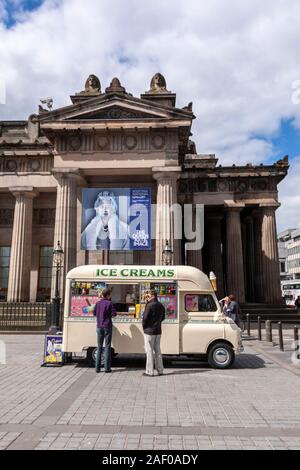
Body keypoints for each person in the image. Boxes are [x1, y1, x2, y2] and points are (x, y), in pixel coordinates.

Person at [142, 289, 165, 376]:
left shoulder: (149, 305)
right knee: (158, 350)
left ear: (151, 295)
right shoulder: (160, 305)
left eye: (148, 295)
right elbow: (163, 317)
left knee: (149, 351)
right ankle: (160, 370)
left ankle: (149, 371)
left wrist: (145, 327)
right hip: (158, 331)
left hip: (149, 331)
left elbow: (145, 318)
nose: (147, 297)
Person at [93, 288, 116, 373]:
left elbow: (94, 313)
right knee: (107, 346)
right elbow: (114, 314)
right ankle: (107, 368)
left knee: (99, 347)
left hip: (99, 326)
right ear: (108, 295)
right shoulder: (109, 303)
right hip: (107, 326)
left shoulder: (98, 303)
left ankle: (97, 368)